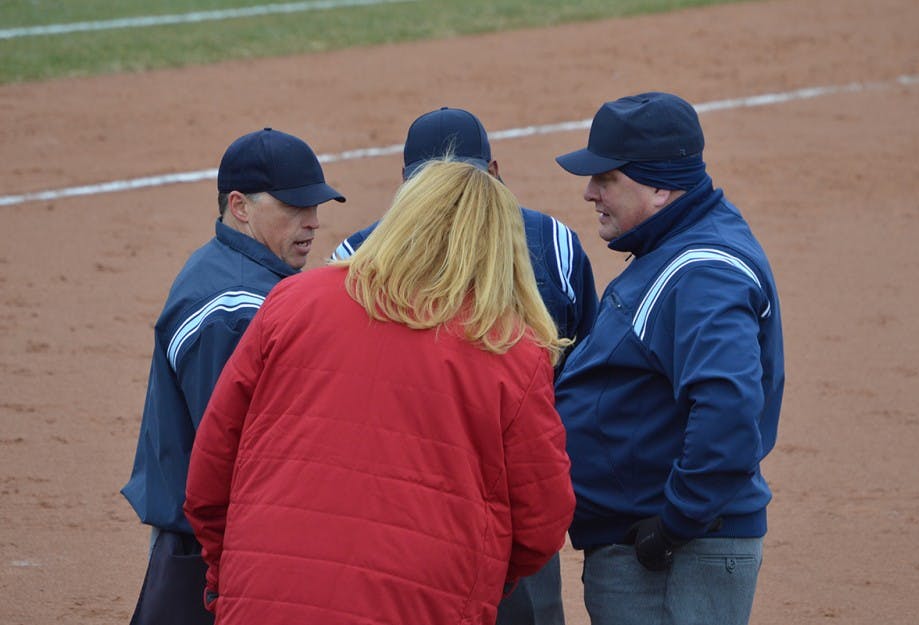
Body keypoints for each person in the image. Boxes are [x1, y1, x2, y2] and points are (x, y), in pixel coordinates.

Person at [183, 159, 577, 625]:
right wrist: (477, 575)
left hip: (264, 597)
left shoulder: (294, 300)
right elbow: (541, 523)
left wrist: (227, 572)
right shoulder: (510, 349)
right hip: (426, 603)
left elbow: (210, 471)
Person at [333, 107, 598, 625]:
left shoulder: (358, 255)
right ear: (494, 172)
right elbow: (581, 374)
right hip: (504, 503)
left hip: (401, 509)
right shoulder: (552, 243)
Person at [552, 92, 785, 625]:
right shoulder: (675, 248)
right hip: (657, 548)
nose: (589, 193)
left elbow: (729, 407)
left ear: (659, 186)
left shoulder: (704, 272)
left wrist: (676, 523)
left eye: (606, 178)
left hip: (675, 557)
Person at [120, 128, 346, 625]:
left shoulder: (229, 267)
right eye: (294, 208)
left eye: (315, 207)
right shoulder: (235, 312)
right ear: (240, 206)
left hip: (206, 544)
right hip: (211, 554)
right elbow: (234, 457)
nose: (311, 223)